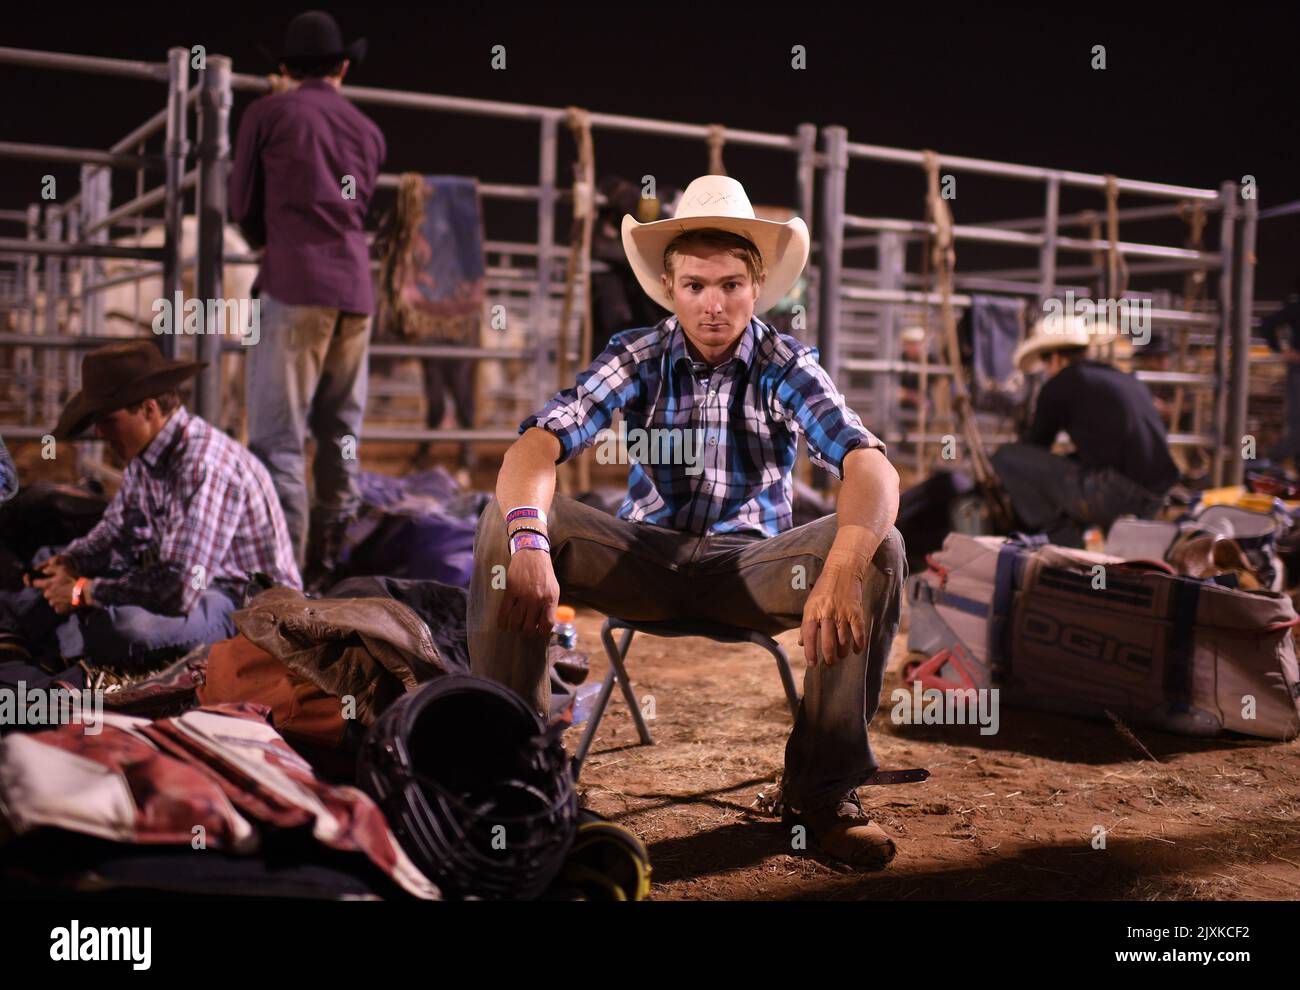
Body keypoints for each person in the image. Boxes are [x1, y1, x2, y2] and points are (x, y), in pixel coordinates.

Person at [468, 174, 908, 870]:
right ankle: (517, 782)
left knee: (883, 550)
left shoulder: (782, 363)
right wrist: (527, 540)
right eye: (695, 286)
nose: (713, 305)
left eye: (731, 284)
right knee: (502, 525)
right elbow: (538, 444)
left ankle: (823, 792)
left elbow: (868, 463)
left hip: (752, 571)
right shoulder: (638, 354)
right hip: (647, 558)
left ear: (758, 284)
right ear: (669, 288)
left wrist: (845, 564)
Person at [0, 341, 300, 674]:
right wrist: (72, 561)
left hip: (245, 605)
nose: (99, 432)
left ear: (149, 409)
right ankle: (56, 635)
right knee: (49, 563)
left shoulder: (204, 465)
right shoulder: (149, 455)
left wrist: (86, 591)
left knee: (126, 628)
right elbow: (118, 532)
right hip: (192, 583)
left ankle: (50, 638)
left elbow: (178, 586)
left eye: (108, 420)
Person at [229, 10, 386, 586]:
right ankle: (330, 562)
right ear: (344, 66)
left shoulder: (267, 113)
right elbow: (357, 203)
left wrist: (272, 243)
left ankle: (283, 579)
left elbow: (242, 203)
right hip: (355, 291)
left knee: (279, 440)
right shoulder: (368, 132)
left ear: (285, 67)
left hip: (295, 285)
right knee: (340, 431)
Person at [991, 315, 1179, 547]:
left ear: (1056, 358)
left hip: (1116, 493)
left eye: (1045, 362)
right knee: (1069, 468)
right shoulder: (1120, 377)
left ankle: (1058, 535)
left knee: (1008, 458)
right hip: (1156, 496)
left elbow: (1037, 444)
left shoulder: (1061, 383)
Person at [1259, 276, 1300, 473]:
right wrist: (1283, 350)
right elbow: (1267, 324)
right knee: (1297, 426)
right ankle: (1271, 461)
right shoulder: (1296, 308)